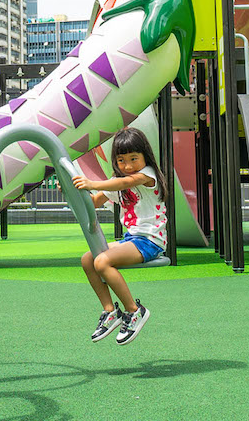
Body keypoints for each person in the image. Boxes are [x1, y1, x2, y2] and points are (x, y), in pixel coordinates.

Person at [72, 127, 167, 345]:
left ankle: (134, 311)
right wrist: (73, 191)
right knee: (88, 259)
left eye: (134, 158)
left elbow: (125, 182)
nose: (128, 166)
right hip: (131, 239)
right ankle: (109, 311)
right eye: (122, 160)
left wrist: (92, 182)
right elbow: (94, 202)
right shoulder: (119, 182)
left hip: (150, 241)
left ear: (145, 156)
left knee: (103, 261)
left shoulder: (147, 175)